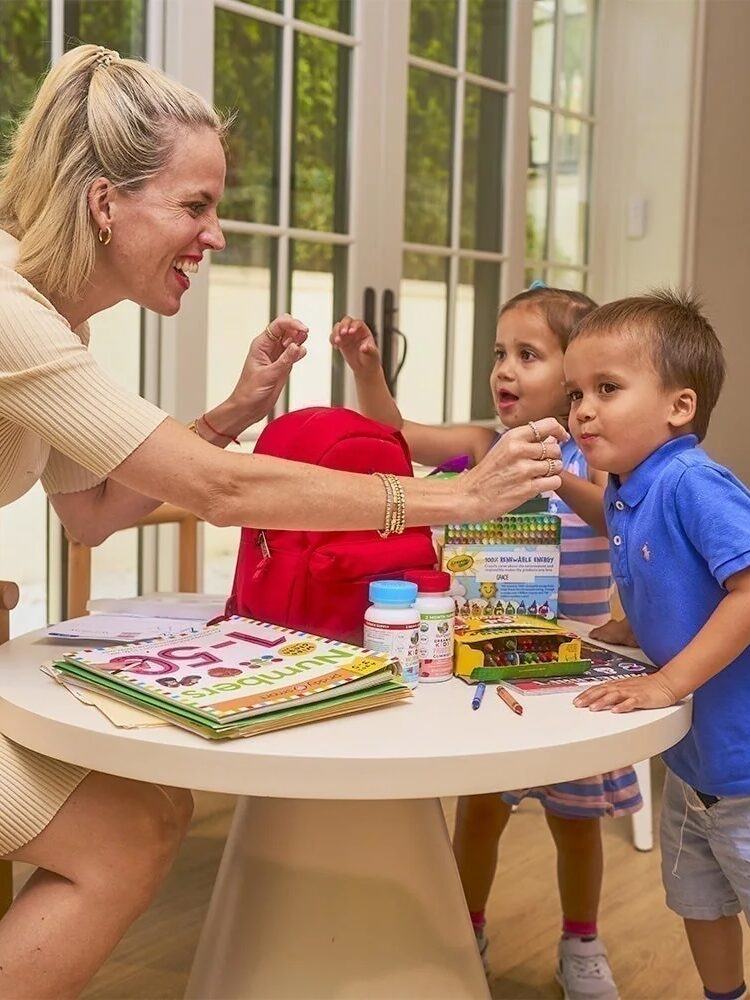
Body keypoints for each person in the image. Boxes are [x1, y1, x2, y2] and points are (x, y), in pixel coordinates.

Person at [0, 45, 566, 998]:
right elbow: (222, 493)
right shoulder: (14, 313)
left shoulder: (56, 319)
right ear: (106, 204)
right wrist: (459, 499)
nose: (215, 234)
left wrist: (231, 411)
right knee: (128, 833)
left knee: (141, 823)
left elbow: (92, 513)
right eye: (195, 207)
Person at [330, 286, 639, 999]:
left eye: (527, 355)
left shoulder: (597, 459)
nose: (503, 369)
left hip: (572, 680)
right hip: (487, 668)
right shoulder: (480, 447)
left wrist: (557, 470)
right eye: (500, 354)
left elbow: (621, 523)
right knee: (478, 815)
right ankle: (464, 928)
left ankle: (582, 942)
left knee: (577, 825)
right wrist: (366, 368)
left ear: (574, 374)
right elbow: (395, 432)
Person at [568, 290, 750, 1000]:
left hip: (741, 761)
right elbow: (671, 577)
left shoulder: (692, 482)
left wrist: (669, 682)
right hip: (691, 762)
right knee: (700, 903)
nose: (583, 409)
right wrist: (632, 628)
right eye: (577, 392)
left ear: (679, 407)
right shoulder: (627, 488)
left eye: (607, 389)